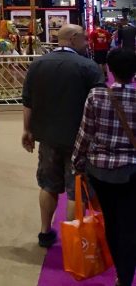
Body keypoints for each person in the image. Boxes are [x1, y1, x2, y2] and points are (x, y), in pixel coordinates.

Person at [21, 23, 105, 248]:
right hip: (80, 139)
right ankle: (73, 241)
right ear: (74, 38)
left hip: (47, 137)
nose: (87, 43)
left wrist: (27, 130)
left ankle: (45, 232)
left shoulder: (37, 64)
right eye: (84, 38)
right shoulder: (88, 66)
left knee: (47, 185)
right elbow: (100, 102)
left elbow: (27, 101)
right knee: (76, 191)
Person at [73, 48, 136, 286]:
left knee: (111, 220)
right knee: (129, 223)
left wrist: (77, 162)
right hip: (132, 170)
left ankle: (121, 273)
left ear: (109, 69)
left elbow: (85, 133)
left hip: (101, 171)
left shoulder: (96, 96)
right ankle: (127, 274)